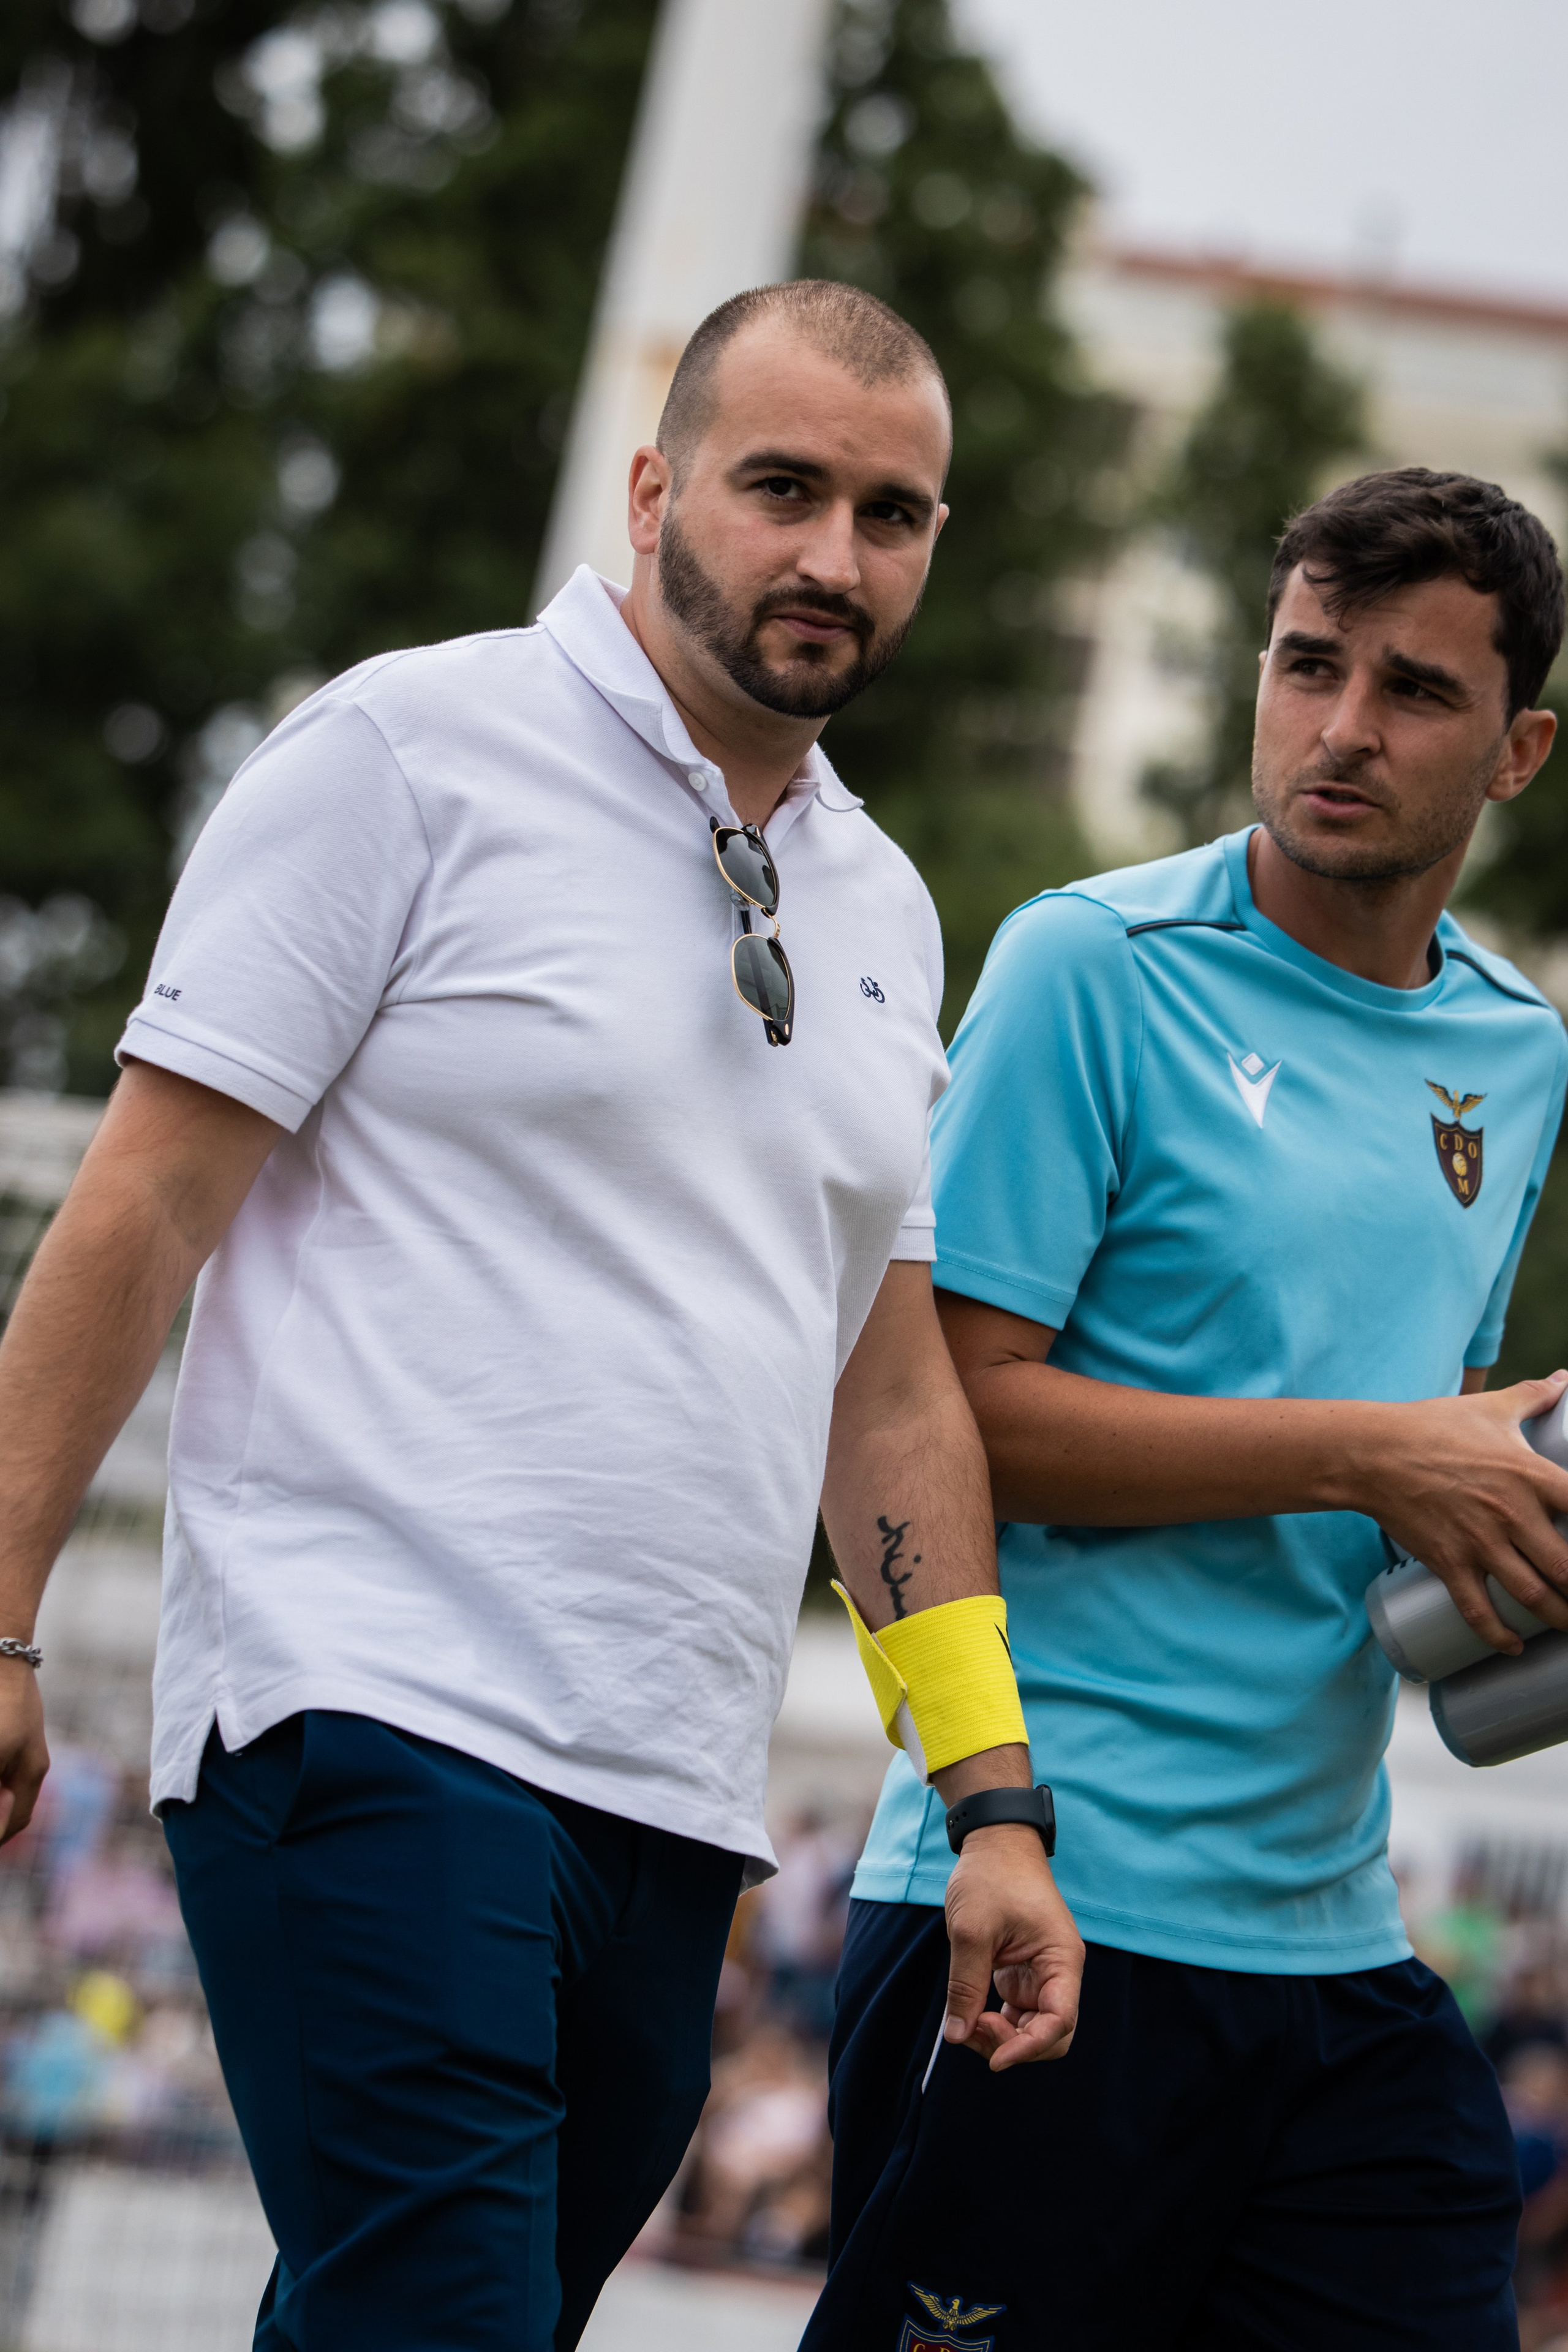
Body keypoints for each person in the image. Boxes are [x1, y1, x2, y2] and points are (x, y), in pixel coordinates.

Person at [0, 281, 1081, 2351]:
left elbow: (890, 1392)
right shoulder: (408, 751)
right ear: (655, 481)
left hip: (672, 1789)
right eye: (783, 489)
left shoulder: (884, 905)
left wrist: (993, 1795)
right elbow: (143, 1203)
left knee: (416, 2317)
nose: (833, 558)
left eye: (893, 512)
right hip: (368, 1701)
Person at [804, 469, 1568, 2352]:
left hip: (1330, 1945)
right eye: (1309, 668)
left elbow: (1402, 1450)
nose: (1340, 729)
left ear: (1517, 750)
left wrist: (1495, 1511)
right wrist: (1375, 1448)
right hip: (1043, 1894)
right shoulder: (1093, 966)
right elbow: (936, 1416)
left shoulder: (1520, 1051)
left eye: (1412, 691)